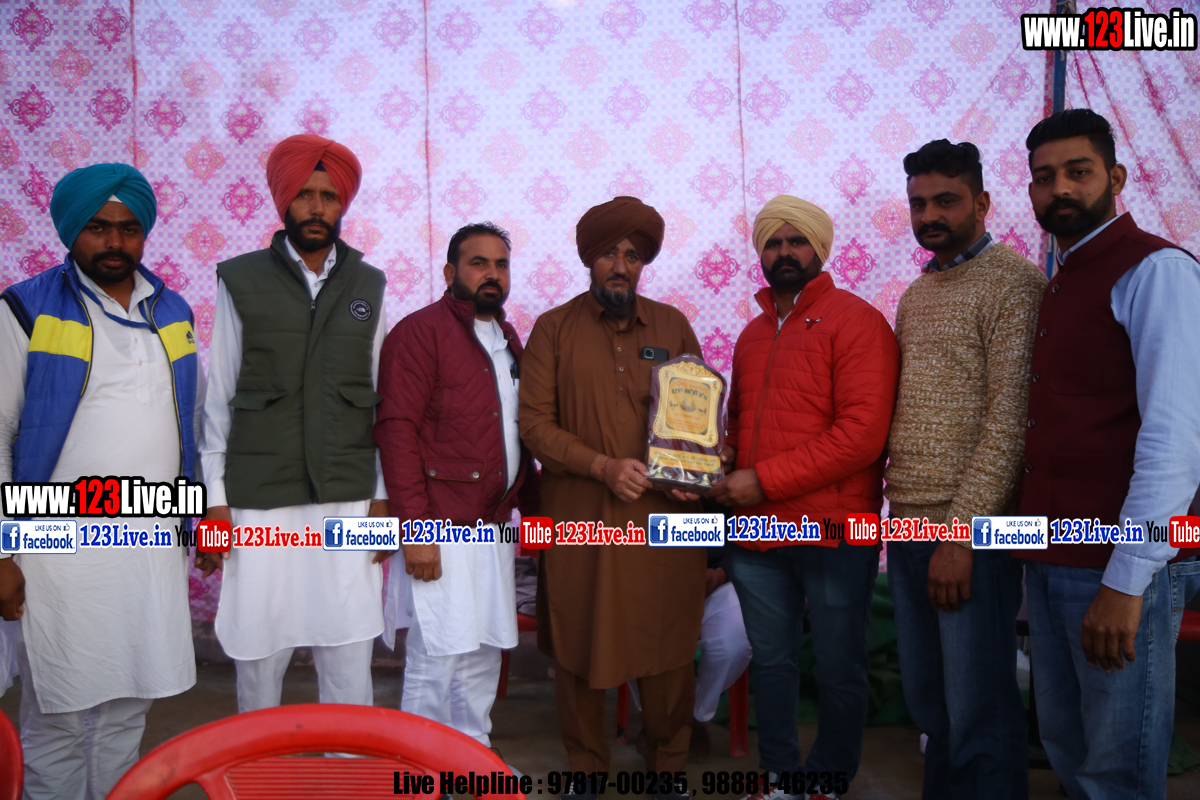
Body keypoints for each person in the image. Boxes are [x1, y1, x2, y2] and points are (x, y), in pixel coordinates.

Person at [0, 163, 201, 799]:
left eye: (128, 228)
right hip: (57, 547)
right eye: (97, 227)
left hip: (150, 542)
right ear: (71, 231)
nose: (114, 241)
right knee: (59, 710)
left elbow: (189, 423)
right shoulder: (24, 308)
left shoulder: (172, 309)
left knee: (129, 706)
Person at [1016, 108, 1200, 799]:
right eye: (1044, 177)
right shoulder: (1064, 278)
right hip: (1055, 557)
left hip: (1120, 566)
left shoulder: (1156, 270)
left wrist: (1126, 583)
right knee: (1070, 749)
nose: (1060, 188)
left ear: (1115, 178)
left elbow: (1175, 439)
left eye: (1078, 171)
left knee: (1115, 770)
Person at [197, 134, 391, 712]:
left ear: (342, 204)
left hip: (348, 495)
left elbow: (384, 404)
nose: (316, 207)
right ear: (284, 201)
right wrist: (215, 503)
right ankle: (257, 760)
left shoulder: (370, 285)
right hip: (259, 497)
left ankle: (347, 760)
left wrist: (383, 496)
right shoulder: (240, 279)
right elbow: (219, 399)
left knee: (349, 648)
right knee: (259, 649)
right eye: (305, 194)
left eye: (329, 196)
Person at [518, 196, 705, 796]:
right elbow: (535, 426)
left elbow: (694, 419)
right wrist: (602, 467)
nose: (621, 266)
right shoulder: (553, 329)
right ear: (588, 259)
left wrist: (690, 471)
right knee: (578, 639)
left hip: (662, 522)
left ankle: (667, 768)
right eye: (608, 254)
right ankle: (587, 771)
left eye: (632, 255)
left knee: (667, 644)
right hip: (582, 520)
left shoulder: (672, 326)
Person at [720, 195, 899, 800]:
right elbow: (738, 423)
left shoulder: (857, 321)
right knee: (771, 662)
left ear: (820, 248)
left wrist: (763, 481)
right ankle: (778, 777)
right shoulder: (750, 335)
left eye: (796, 241)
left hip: (832, 530)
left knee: (839, 665)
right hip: (755, 533)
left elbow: (862, 436)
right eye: (773, 242)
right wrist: (717, 459)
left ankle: (826, 780)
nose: (784, 252)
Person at [883, 140, 1046, 799]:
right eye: (918, 203)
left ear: (982, 203)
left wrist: (962, 535)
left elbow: (1010, 420)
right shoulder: (918, 293)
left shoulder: (1015, 284)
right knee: (931, 704)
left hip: (968, 533)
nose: (929, 215)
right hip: (906, 524)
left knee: (978, 706)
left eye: (945, 201)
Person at [374, 221, 539, 751]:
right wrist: (416, 531)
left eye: (501, 264)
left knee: (483, 650)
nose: (492, 274)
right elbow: (396, 432)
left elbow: (520, 437)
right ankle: (422, 768)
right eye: (478, 263)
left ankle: (474, 757)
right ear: (450, 272)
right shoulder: (419, 333)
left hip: (493, 527)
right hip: (439, 527)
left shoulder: (509, 341)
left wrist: (537, 519)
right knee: (437, 655)